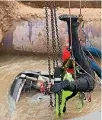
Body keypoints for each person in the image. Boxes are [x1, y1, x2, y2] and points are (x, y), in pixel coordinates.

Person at [50, 14, 95, 96]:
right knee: (75, 84)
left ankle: (72, 24)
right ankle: (71, 23)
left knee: (75, 84)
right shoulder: (71, 53)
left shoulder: (73, 54)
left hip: (87, 79)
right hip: (85, 74)